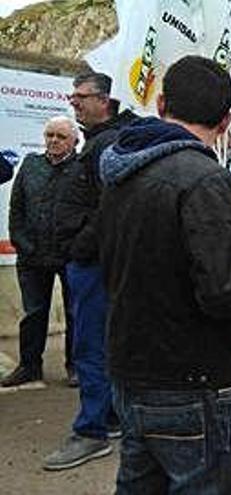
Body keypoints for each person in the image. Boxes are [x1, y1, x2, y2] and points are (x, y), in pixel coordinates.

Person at [97, 55, 231, 493]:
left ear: (160, 103)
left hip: (131, 373)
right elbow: (224, 293)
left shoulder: (120, 172)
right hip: (193, 382)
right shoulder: (208, 181)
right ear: (227, 119)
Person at [42, 72, 137, 470]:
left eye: (81, 97)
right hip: (92, 262)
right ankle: (110, 416)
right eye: (72, 96)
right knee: (101, 344)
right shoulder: (102, 141)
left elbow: (109, 211)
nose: (74, 102)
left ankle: (91, 431)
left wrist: (81, 246)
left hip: (94, 265)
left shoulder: (109, 145)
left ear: (106, 101)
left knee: (90, 347)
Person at [2, 116, 78, 389]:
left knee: (74, 313)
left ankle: (75, 366)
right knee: (33, 313)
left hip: (69, 256)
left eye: (61, 137)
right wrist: (21, 242)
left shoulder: (82, 168)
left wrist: (78, 246)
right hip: (32, 256)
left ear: (74, 141)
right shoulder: (31, 165)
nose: (54, 141)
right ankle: (29, 366)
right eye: (50, 135)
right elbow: (17, 208)